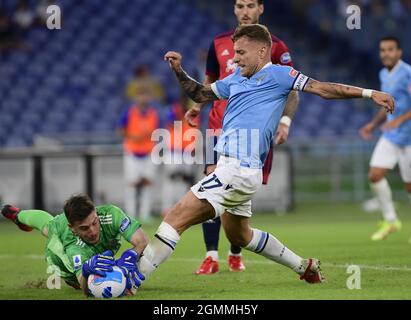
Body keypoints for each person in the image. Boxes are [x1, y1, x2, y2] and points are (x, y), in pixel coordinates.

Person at [136, 24, 394, 285]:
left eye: (240, 53)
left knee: (174, 219)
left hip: (236, 170)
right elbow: (200, 93)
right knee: (240, 236)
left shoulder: (280, 75)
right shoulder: (236, 77)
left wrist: (369, 93)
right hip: (238, 171)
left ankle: (132, 279)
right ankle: (304, 266)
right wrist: (179, 71)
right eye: (234, 53)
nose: (234, 59)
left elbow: (323, 88)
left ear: (261, 52)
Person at [191, 0, 299, 275]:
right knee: (210, 181)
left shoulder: (276, 46)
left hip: (253, 132)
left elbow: (292, 88)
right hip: (218, 125)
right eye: (240, 5)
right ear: (234, 10)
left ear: (261, 9)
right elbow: (209, 80)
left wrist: (285, 121)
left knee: (237, 191)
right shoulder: (218, 42)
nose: (245, 11)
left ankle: (236, 251)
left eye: (251, 5)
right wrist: (196, 106)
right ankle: (211, 255)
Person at [1, 194, 147, 296]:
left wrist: (131, 255)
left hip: (68, 228)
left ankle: (17, 215)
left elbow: (142, 240)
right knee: (50, 228)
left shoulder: (111, 214)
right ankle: (19, 216)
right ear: (73, 228)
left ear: (96, 212)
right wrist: (85, 270)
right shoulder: (72, 246)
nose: (92, 231)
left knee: (47, 224)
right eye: (84, 228)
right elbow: (84, 287)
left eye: (94, 223)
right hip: (62, 260)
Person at [359, 36, 411, 241]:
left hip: (408, 137)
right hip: (390, 135)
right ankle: (391, 220)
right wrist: (373, 124)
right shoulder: (384, 74)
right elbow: (387, 104)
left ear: (399, 52)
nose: (386, 54)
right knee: (375, 175)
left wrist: (399, 121)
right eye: (383, 50)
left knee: (409, 187)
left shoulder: (407, 73)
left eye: (390, 49)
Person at [117, 85, 160, 223]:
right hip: (132, 152)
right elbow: (119, 130)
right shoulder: (129, 112)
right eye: (141, 95)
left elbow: (159, 131)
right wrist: (131, 135)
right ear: (136, 98)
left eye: (146, 95)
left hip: (148, 152)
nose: (143, 98)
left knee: (148, 184)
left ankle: (145, 214)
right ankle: (130, 215)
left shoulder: (153, 113)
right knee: (131, 184)